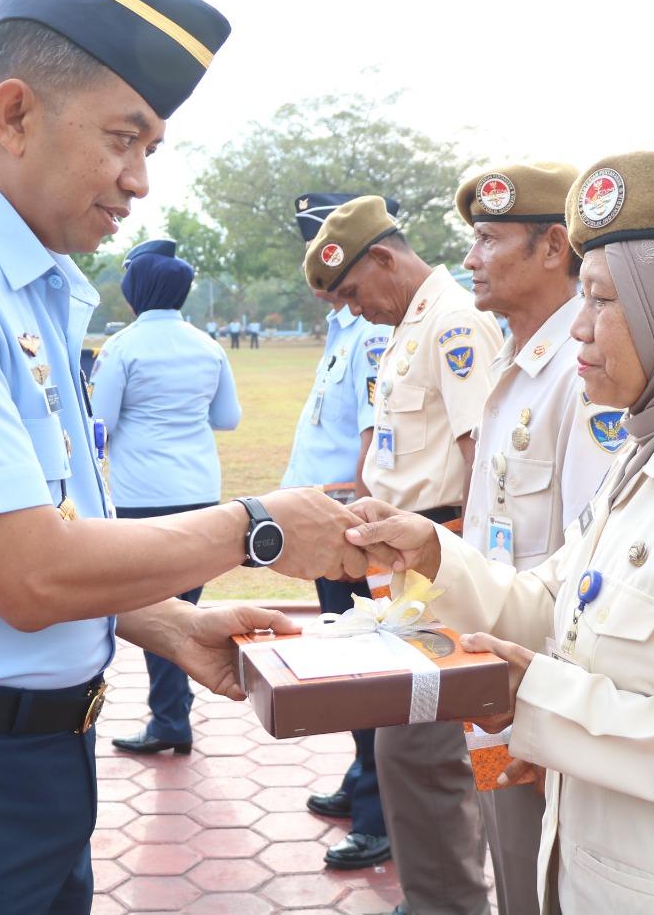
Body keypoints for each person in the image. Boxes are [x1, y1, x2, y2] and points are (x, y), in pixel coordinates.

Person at [0, 0, 365, 915]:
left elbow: (11, 539)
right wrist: (259, 528)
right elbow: (27, 573)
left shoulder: (28, 284)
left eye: (151, 150)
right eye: (121, 140)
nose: (138, 181)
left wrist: (166, 621)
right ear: (15, 115)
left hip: (29, 767)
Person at [348, 151, 654, 914]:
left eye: (604, 301)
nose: (578, 327)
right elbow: (556, 600)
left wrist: (538, 702)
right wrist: (433, 556)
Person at [304, 193, 505, 915]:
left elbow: (485, 465)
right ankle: (433, 897)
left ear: (384, 259)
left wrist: (467, 578)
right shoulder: (413, 323)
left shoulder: (453, 322)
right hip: (411, 562)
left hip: (443, 560)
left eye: (356, 292)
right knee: (412, 751)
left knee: (423, 752)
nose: (355, 310)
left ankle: (446, 902)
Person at [454, 162, 624, 914]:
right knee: (507, 857)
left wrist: (546, 712)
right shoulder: (517, 361)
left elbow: (595, 560)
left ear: (554, 247)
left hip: (540, 689)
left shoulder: (580, 375)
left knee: (540, 877)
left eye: (489, 238)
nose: (470, 258)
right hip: (494, 680)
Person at [89, 238, 241, 757]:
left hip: (141, 495)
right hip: (201, 492)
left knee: (158, 612)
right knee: (183, 608)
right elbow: (227, 418)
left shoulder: (122, 348)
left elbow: (99, 423)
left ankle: (170, 719)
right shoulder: (208, 345)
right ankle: (171, 716)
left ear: (135, 290)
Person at [284, 191, 397, 870]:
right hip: (327, 522)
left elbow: (374, 433)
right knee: (351, 669)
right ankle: (363, 785)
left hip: (347, 527)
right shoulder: (345, 327)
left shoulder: (375, 328)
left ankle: (381, 814)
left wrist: (350, 522)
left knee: (371, 673)